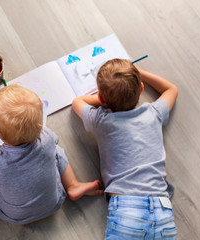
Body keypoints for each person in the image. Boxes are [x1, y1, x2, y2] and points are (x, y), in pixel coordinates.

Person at [0, 84, 103, 225]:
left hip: (13, 215)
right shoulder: (46, 136)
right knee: (56, 152)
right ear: (40, 125)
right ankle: (73, 185)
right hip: (54, 203)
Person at [72, 58, 178, 239]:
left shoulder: (101, 120)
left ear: (101, 99)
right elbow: (171, 89)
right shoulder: (153, 113)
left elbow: (77, 101)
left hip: (127, 209)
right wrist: (139, 72)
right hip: (163, 210)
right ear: (141, 89)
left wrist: (105, 100)